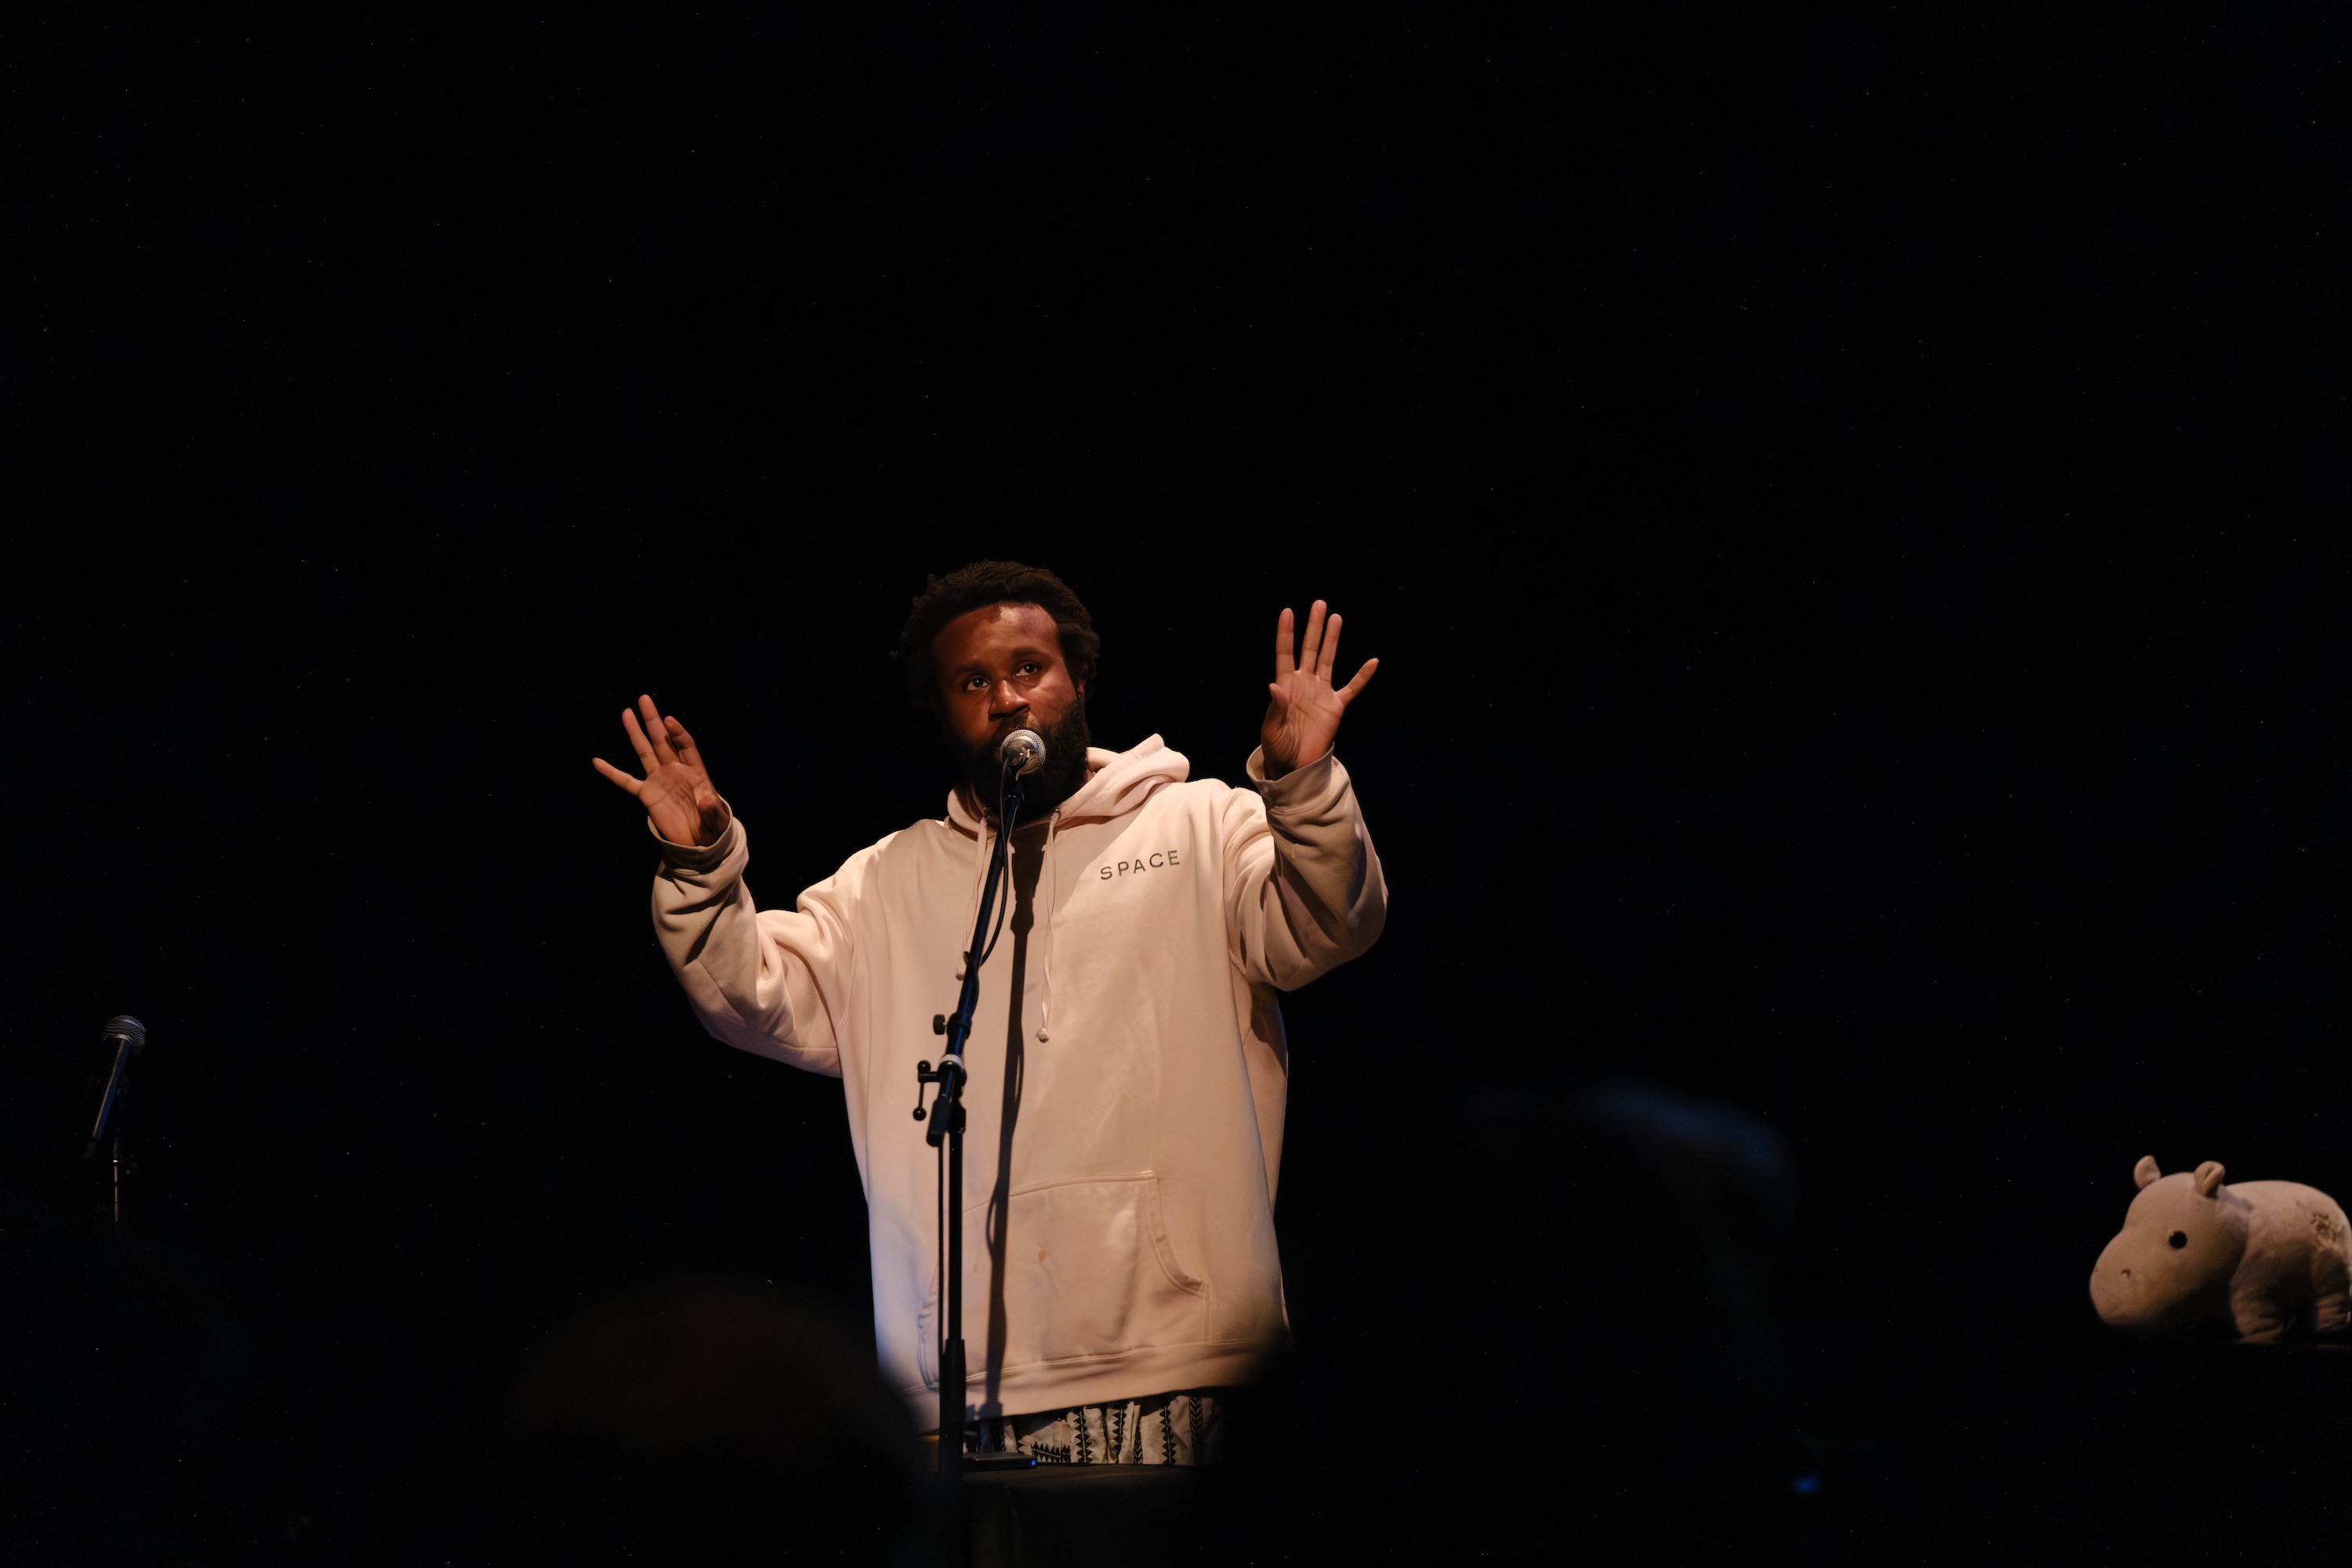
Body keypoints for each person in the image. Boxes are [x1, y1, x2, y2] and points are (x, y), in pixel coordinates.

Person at [593, 561, 1385, 1462]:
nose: (1008, 697)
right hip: (957, 1389)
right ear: (941, 711)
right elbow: (750, 997)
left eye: (1029, 668)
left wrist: (1305, 782)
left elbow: (1333, 920)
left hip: (1187, 1362)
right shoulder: (882, 886)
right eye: (975, 681)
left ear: (1078, 680)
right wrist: (701, 863)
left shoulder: (1203, 826)